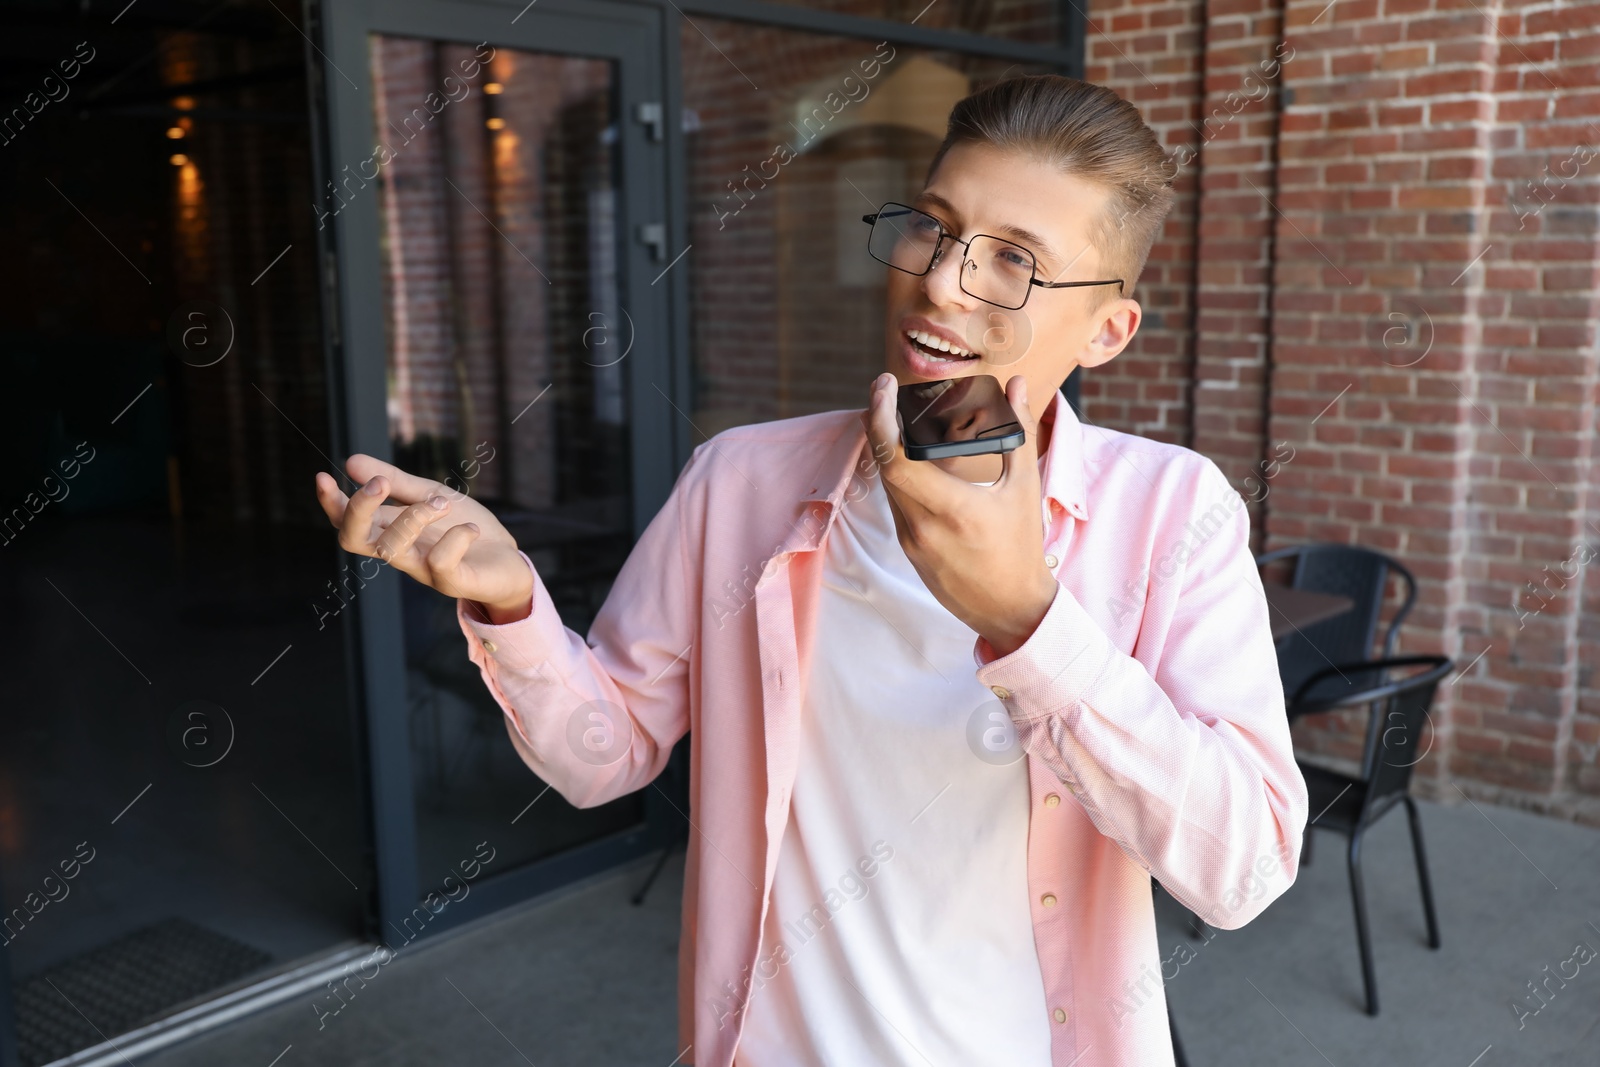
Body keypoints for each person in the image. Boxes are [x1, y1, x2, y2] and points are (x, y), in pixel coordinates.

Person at [314, 74, 1307, 1067]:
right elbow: (600, 753)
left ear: (1107, 331)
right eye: (932, 226)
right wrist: (508, 599)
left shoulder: (1171, 512)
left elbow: (1245, 867)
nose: (943, 281)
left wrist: (1029, 621)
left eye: (1013, 260)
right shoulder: (741, 480)